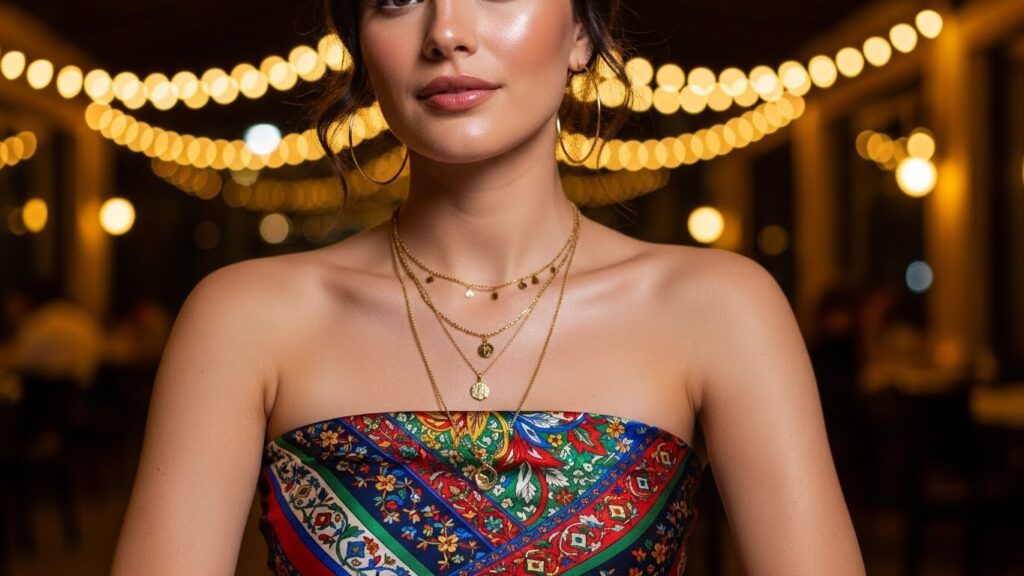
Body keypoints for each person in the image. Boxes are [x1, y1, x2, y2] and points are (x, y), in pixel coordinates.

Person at [112, 0, 865, 573]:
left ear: (582, 35)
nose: (447, 33)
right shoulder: (244, 317)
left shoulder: (719, 306)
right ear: (361, 47)